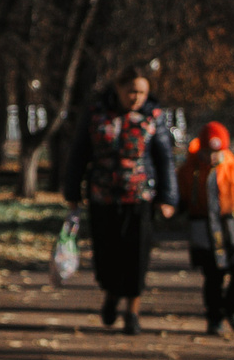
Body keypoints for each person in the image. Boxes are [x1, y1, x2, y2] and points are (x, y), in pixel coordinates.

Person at [61, 74, 176, 333]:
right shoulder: (96, 113)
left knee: (137, 256)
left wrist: (168, 198)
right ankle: (111, 295)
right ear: (118, 88)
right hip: (103, 197)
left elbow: (164, 157)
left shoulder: (153, 116)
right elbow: (79, 152)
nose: (136, 97)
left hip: (140, 197)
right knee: (107, 255)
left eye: (142, 93)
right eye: (132, 91)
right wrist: (72, 191)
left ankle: (132, 311)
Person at [179, 121, 234, 334]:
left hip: (232, 226)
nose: (211, 157)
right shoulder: (189, 170)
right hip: (203, 227)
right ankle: (214, 317)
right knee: (213, 275)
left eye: (216, 152)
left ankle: (232, 308)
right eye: (207, 152)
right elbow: (180, 198)